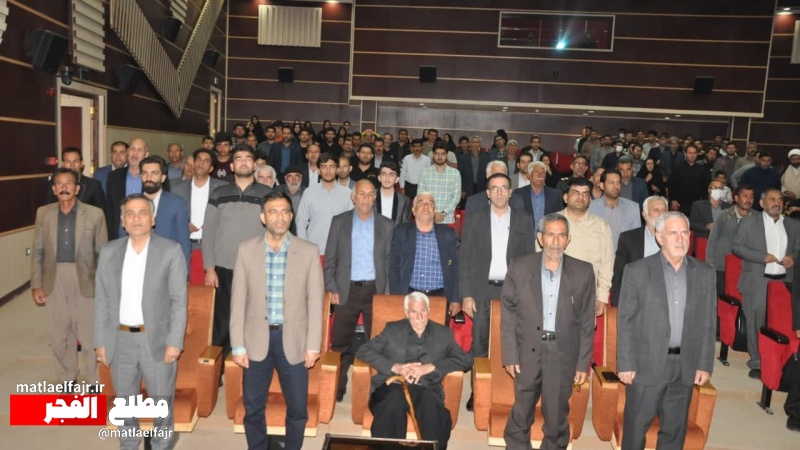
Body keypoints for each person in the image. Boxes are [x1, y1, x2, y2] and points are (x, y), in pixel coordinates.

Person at [229, 191, 324, 450]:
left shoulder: (309, 251)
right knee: (252, 407)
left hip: (294, 341)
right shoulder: (246, 249)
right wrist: (237, 345)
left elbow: (315, 303)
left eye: (284, 211)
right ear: (263, 217)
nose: (279, 217)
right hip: (255, 340)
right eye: (272, 211)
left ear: (291, 216)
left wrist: (313, 345)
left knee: (298, 409)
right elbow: (238, 301)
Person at [94, 193, 188, 450]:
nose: (136, 219)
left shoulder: (170, 251)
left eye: (143, 213)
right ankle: (128, 443)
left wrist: (174, 342)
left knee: (161, 404)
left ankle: (161, 445)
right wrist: (101, 342)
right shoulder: (109, 252)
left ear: (153, 219)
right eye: (130, 214)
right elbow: (102, 300)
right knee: (124, 403)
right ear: (122, 221)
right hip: (120, 341)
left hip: (157, 341)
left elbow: (179, 301)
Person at [617, 212, 716, 450]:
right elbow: (626, 320)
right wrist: (626, 363)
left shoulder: (704, 273)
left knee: (674, 433)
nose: (681, 239)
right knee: (635, 429)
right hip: (645, 365)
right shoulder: (637, 270)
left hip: (684, 366)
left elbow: (708, 322)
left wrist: (704, 363)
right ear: (659, 237)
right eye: (673, 233)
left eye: (684, 232)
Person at [501, 213, 596, 450]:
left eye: (561, 235)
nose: (555, 241)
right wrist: (510, 355)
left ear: (568, 239)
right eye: (550, 235)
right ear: (540, 238)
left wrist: (582, 364)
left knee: (556, 418)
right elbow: (508, 315)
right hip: (527, 351)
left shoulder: (584, 272)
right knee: (521, 412)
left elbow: (587, 323)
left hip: (562, 354)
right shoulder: (519, 266)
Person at [356, 292, 472, 450]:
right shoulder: (392, 330)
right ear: (406, 313)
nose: (419, 317)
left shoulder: (443, 334)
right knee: (391, 405)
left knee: (432, 411)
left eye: (423, 311)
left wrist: (431, 366)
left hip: (426, 388)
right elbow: (364, 351)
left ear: (429, 311)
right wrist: (395, 366)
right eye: (414, 312)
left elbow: (466, 360)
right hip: (393, 385)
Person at [459, 173, 536, 412]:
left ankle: (510, 391)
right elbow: (465, 257)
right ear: (488, 193)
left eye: (504, 188)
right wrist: (466, 294)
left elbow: (529, 259)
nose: (500, 192)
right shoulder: (475, 219)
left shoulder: (524, 220)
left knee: (512, 342)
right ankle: (477, 391)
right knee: (480, 344)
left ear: (511, 192)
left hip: (512, 291)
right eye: (495, 188)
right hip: (481, 290)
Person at [32, 168, 108, 385]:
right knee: (59, 334)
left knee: (88, 334)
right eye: (59, 183)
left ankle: (94, 379)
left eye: (68, 183)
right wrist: (36, 285)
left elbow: (103, 253)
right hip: (54, 279)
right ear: (54, 189)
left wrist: (103, 288)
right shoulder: (43, 214)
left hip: (86, 279)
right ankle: (67, 377)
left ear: (77, 189)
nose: (64, 187)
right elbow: (37, 251)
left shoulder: (95, 214)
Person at [324, 180, 395, 402]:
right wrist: (331, 287)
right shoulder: (339, 222)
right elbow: (331, 258)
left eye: (370, 194)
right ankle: (338, 386)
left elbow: (388, 262)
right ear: (353, 196)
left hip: (375, 290)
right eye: (361, 193)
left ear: (375, 198)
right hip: (346, 290)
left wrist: (386, 292)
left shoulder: (386, 224)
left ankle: (377, 389)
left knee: (378, 343)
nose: (365, 198)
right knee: (340, 343)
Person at [203, 146, 273, 367]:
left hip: (258, 268)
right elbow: (208, 232)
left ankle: (254, 366)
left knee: (255, 319)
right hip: (223, 268)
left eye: (248, 158)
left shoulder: (267, 194)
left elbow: (276, 232)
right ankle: (219, 371)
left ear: (255, 164)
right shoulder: (219, 193)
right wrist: (209, 268)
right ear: (232, 166)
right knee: (222, 321)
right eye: (239, 159)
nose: (243, 162)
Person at [732, 188, 800, 379]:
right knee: (756, 322)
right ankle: (757, 361)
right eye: (772, 199)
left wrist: (793, 257)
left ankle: (777, 361)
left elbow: (798, 248)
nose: (777, 203)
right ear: (762, 203)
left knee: (779, 323)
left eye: (779, 200)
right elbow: (737, 247)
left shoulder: (793, 225)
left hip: (784, 283)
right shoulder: (749, 222)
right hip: (758, 281)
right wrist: (761, 257)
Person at [389, 192, 461, 316]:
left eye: (430, 203)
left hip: (440, 296)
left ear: (434, 211)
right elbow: (393, 267)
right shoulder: (401, 232)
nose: (426, 206)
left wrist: (456, 298)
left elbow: (456, 268)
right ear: (413, 210)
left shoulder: (448, 234)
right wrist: (397, 297)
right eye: (421, 203)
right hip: (410, 295)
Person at [171, 148, 228, 285]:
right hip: (184, 246)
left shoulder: (222, 188)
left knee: (208, 293)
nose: (201, 163)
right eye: (198, 160)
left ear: (211, 168)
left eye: (206, 161)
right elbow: (170, 215)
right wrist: (183, 225)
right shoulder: (176, 188)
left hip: (212, 248)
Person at [559, 178, 614, 316]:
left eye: (585, 194)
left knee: (585, 330)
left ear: (590, 199)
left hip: (588, 295)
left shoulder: (601, 226)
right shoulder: (552, 223)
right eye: (575, 192)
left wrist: (602, 297)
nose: (581, 197)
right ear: (565, 197)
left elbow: (607, 264)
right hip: (556, 293)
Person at [611, 195, 669, 307]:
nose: (661, 214)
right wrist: (617, 306)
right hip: (638, 299)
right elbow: (618, 275)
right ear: (644, 215)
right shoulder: (628, 239)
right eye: (656, 210)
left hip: (667, 298)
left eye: (664, 210)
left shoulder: (675, 239)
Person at [295, 153, 354, 256]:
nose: (328, 170)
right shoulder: (309, 193)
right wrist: (304, 247)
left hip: (339, 252)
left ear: (337, 170)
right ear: (318, 171)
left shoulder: (347, 194)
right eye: (324, 167)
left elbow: (352, 223)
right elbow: (301, 221)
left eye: (332, 167)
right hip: (314, 250)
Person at [706, 185, 754, 295]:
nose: (749, 200)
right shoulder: (723, 215)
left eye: (751, 196)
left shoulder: (757, 217)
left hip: (748, 267)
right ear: (736, 198)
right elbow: (713, 239)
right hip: (723, 265)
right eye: (745, 196)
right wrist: (710, 262)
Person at [105, 137, 149, 239]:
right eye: (132, 149)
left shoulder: (152, 177)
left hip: (146, 234)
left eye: (139, 150)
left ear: (146, 154)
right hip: (120, 234)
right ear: (128, 152)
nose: (135, 153)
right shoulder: (114, 177)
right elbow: (110, 210)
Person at [588, 169, 641, 251]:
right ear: (602, 186)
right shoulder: (590, 208)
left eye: (618, 183)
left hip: (624, 255)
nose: (616, 186)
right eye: (611, 182)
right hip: (598, 254)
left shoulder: (633, 207)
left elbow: (636, 238)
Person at [45, 147, 106, 211]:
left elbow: (101, 212)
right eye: (68, 162)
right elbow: (48, 209)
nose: (72, 166)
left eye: (76, 162)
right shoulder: (53, 184)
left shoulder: (94, 185)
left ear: (81, 163)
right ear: (62, 164)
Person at [511, 161, 564, 234]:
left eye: (543, 172)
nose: (540, 175)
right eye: (536, 172)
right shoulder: (518, 194)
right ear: (529, 175)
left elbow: (558, 218)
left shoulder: (555, 194)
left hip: (548, 236)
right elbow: (514, 219)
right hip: (524, 236)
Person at [418, 144, 461, 225]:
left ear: (447, 155)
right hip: (428, 217)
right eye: (437, 153)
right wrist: (433, 214)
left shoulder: (455, 173)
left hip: (447, 219)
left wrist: (443, 213)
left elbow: (456, 197)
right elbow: (420, 196)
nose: (440, 156)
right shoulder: (425, 173)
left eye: (443, 154)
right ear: (433, 155)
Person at [668, 145, 708, 216]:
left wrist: (704, 201)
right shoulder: (677, 168)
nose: (692, 155)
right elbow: (671, 185)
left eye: (694, 153)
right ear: (685, 154)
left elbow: (705, 186)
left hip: (697, 204)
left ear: (697, 154)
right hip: (680, 204)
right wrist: (673, 200)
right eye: (690, 153)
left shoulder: (702, 169)